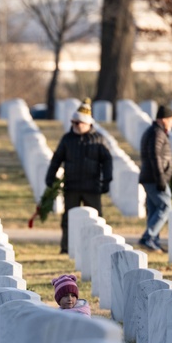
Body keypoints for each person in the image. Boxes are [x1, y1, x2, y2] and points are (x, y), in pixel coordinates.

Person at [44, 98, 113, 254]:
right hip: (72, 186)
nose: (74, 125)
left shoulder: (98, 139)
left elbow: (107, 161)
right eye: (73, 122)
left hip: (92, 187)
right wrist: (50, 177)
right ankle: (66, 247)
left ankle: (100, 247)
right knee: (68, 219)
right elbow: (57, 159)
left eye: (78, 123)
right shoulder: (67, 139)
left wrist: (107, 180)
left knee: (97, 219)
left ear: (88, 123)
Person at [137, 104, 172, 253]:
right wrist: (160, 178)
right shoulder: (156, 133)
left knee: (154, 210)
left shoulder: (155, 132)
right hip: (155, 179)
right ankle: (148, 237)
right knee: (166, 206)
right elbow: (155, 156)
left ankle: (153, 241)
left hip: (151, 177)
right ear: (164, 119)